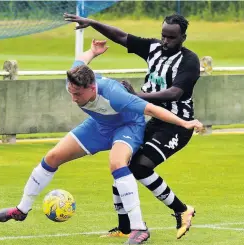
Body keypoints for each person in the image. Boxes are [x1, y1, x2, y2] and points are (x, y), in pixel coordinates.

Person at [0, 39, 202, 244]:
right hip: (99, 125)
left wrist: (184, 123)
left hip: (127, 127)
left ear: (92, 87)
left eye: (78, 94)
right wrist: (92, 52)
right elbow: (81, 59)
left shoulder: (114, 94)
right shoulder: (75, 77)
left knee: (117, 163)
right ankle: (21, 210)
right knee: (52, 157)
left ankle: (139, 228)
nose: (73, 98)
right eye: (71, 92)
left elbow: (152, 109)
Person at [63, 13, 201, 239]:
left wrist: (138, 96)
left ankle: (182, 210)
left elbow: (175, 92)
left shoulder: (189, 61)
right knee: (123, 167)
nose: (165, 42)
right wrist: (93, 23)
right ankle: (125, 227)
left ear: (183, 37)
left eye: (171, 38)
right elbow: (122, 37)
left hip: (177, 125)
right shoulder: (154, 48)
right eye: (163, 36)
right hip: (156, 121)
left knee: (140, 167)